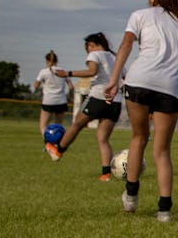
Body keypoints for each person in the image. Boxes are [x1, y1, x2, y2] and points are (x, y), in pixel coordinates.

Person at [105, 0, 178, 222]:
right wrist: (176, 52)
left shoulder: (140, 15)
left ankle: (131, 198)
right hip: (169, 89)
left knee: (138, 139)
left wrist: (114, 79)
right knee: (162, 151)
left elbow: (126, 44)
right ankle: (164, 210)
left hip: (139, 81)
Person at [44, 33, 123, 179]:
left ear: (91, 45)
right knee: (103, 138)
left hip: (98, 97)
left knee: (77, 125)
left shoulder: (95, 54)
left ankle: (58, 150)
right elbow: (124, 77)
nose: (88, 52)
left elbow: (92, 71)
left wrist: (67, 73)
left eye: (87, 48)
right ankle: (106, 174)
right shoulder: (116, 57)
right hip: (115, 101)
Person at [33, 51, 72, 135]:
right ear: (56, 60)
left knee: (43, 125)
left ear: (47, 61)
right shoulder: (62, 71)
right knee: (58, 126)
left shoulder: (43, 72)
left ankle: (48, 144)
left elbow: (36, 85)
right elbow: (71, 87)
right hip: (61, 101)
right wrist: (69, 97)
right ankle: (56, 144)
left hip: (48, 100)